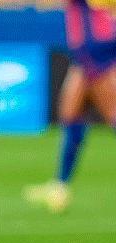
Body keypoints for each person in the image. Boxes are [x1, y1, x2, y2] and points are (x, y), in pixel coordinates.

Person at [24, 0, 116, 213]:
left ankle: (60, 186)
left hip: (99, 55)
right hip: (84, 55)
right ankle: (60, 186)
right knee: (70, 115)